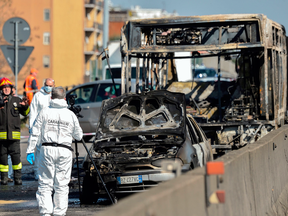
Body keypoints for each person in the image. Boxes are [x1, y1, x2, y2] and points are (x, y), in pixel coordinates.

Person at [26, 86, 83, 216]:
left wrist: (30, 150)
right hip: (64, 150)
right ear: (64, 98)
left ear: (51, 97)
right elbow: (79, 136)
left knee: (45, 184)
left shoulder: (45, 112)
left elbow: (35, 132)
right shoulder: (70, 114)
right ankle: (59, 213)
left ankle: (46, 213)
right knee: (62, 185)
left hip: (47, 150)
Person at [0, 77, 30, 185]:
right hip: (2, 137)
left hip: (14, 137)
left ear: (11, 89)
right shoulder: (0, 101)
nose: (6, 89)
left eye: (8, 87)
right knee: (3, 160)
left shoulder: (17, 100)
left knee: (16, 158)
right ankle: (4, 178)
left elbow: (26, 113)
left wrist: (25, 106)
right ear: (1, 89)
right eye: (4, 88)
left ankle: (18, 178)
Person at [29, 78, 55, 181]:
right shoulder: (38, 96)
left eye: (51, 85)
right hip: (39, 127)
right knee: (39, 150)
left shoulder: (54, 96)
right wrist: (32, 127)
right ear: (44, 85)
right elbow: (33, 112)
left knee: (50, 151)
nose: (49, 87)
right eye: (47, 85)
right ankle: (38, 172)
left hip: (51, 128)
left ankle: (49, 173)